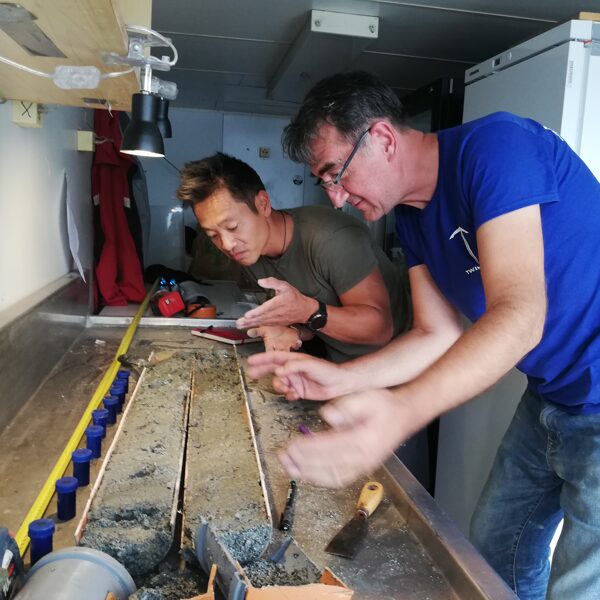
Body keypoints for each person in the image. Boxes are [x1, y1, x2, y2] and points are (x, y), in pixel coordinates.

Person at [245, 71, 600, 600]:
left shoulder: (496, 148)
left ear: (383, 138)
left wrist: (401, 412)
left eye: (337, 174)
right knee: (495, 550)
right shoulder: (413, 219)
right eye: (325, 183)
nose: (337, 199)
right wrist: (341, 379)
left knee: (578, 585)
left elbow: (521, 315)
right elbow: (434, 334)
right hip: (553, 395)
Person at [176, 152, 409, 362]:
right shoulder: (250, 252)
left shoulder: (332, 238)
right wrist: (293, 330)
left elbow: (380, 329)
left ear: (263, 204)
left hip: (398, 368)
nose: (226, 244)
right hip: (341, 366)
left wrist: (308, 310)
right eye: (213, 235)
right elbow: (314, 322)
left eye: (233, 227)